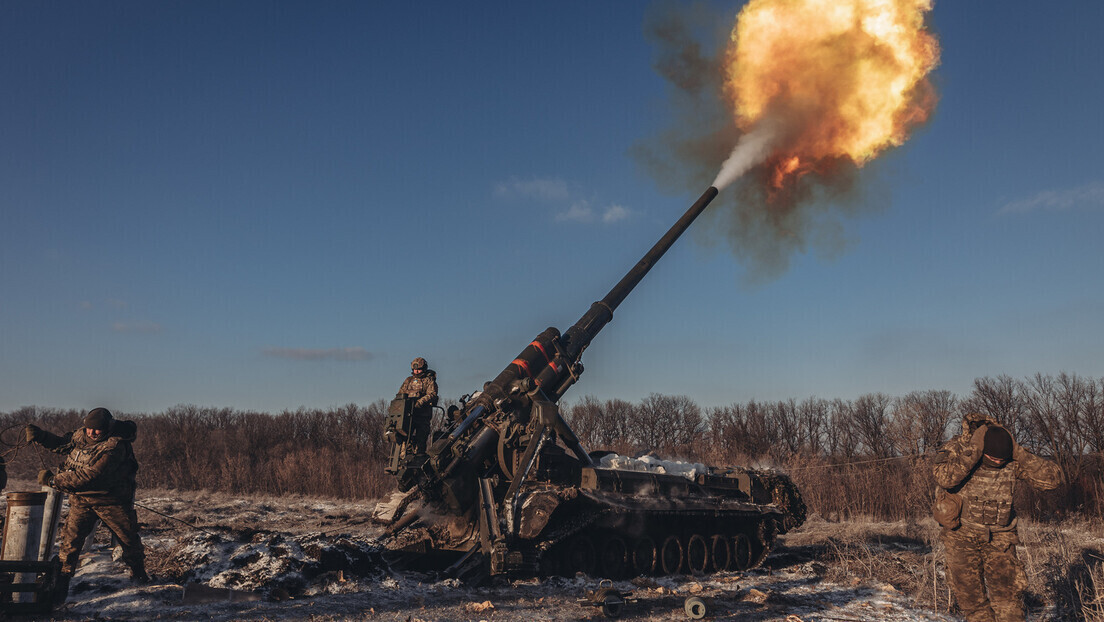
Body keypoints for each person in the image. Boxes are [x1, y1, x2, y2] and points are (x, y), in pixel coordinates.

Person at [932, 413, 1061, 622]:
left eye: (1002, 459)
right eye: (993, 458)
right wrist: (973, 452)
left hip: (1001, 539)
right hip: (961, 535)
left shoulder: (1012, 455)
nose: (999, 462)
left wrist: (1019, 452)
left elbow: (1053, 479)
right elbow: (945, 478)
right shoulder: (958, 448)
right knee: (973, 605)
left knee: (1009, 604)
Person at [25, 407, 149, 594]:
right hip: (82, 500)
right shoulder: (81, 436)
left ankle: (140, 577)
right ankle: (60, 587)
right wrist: (42, 436)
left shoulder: (115, 446)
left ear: (107, 427)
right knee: (69, 543)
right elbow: (62, 444)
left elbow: (90, 476)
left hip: (112, 501)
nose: (92, 432)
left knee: (128, 540)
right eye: (89, 428)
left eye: (97, 429)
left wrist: (53, 480)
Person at [398, 357, 438, 455]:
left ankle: (418, 462)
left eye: (418, 369)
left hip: (422, 416)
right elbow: (400, 394)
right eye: (414, 369)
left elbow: (432, 394)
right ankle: (402, 462)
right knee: (404, 442)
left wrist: (419, 402)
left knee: (421, 443)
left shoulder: (429, 381)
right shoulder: (408, 380)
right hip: (408, 416)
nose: (416, 371)